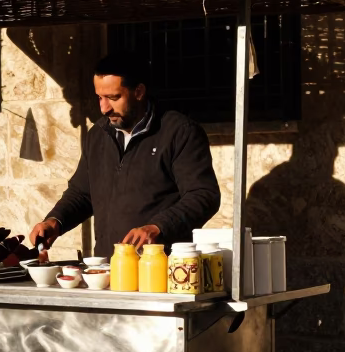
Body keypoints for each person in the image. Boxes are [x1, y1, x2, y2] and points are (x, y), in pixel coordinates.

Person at [28, 53, 220, 255]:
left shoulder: (179, 132)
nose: (104, 108)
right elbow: (82, 193)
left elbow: (203, 195)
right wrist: (55, 221)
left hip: (160, 267)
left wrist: (158, 227)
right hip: (108, 268)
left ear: (139, 91)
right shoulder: (98, 135)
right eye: (100, 97)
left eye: (113, 98)